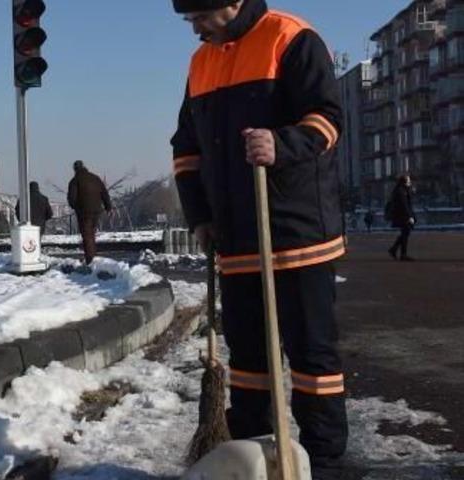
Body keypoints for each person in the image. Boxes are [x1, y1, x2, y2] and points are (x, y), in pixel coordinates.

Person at [170, 0, 347, 476]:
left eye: (200, 17)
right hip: (235, 238)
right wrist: (200, 215)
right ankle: (252, 460)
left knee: (312, 360)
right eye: (190, 21)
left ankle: (323, 463)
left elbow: (328, 119)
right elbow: (186, 147)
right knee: (248, 362)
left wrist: (281, 143)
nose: (196, 29)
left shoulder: (289, 37)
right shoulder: (201, 60)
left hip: (295, 231)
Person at [67, 160, 112, 265]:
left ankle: (90, 260)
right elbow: (104, 193)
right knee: (92, 234)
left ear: (75, 169)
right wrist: (108, 207)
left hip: (84, 212)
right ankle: (93, 258)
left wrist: (76, 207)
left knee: (87, 236)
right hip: (97, 210)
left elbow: (72, 199)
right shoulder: (95, 178)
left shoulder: (74, 180)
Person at [387, 174, 416, 261]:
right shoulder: (401, 191)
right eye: (408, 181)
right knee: (405, 234)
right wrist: (409, 216)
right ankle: (401, 253)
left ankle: (395, 249)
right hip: (403, 216)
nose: (410, 182)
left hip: (402, 216)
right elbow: (404, 205)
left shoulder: (401, 190)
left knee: (404, 234)